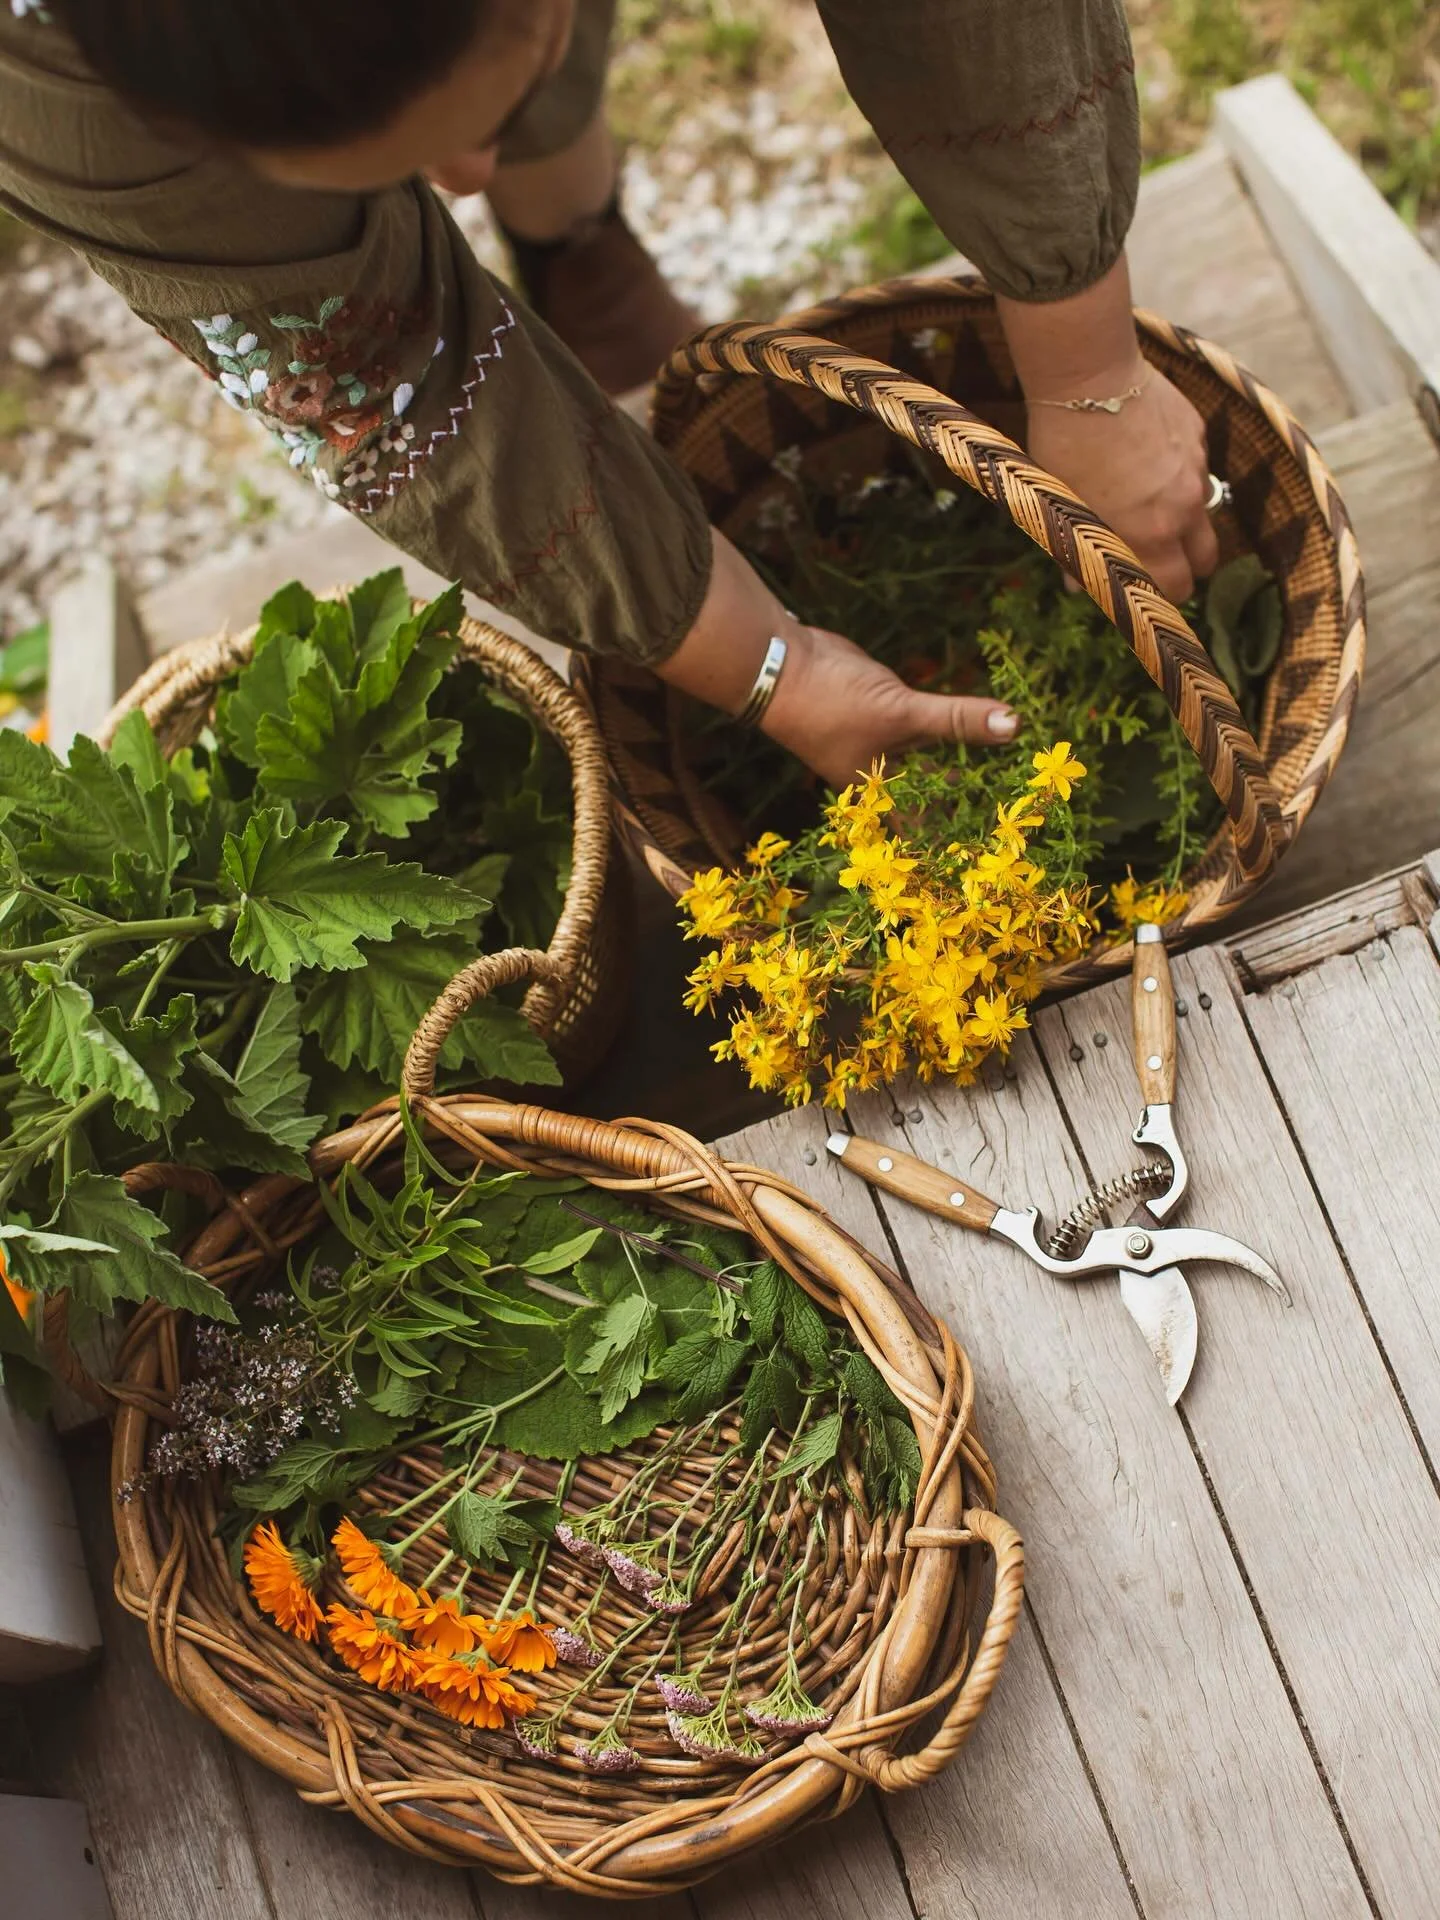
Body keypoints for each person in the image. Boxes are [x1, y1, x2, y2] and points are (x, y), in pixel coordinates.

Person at [0, 0, 1218, 787]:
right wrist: (772, 664)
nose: (459, 189)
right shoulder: (56, 80)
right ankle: (578, 253)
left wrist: (1088, 370)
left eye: (477, 129)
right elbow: (376, 383)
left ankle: (573, 232)